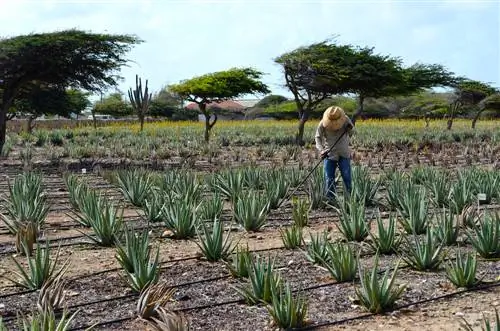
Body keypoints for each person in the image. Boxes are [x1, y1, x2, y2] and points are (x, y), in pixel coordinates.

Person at [314, 106, 354, 200]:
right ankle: (330, 200)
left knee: (347, 177)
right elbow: (317, 137)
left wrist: (349, 129)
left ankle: (349, 199)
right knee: (329, 178)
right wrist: (321, 150)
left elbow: (352, 132)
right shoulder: (323, 122)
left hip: (344, 153)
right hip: (329, 153)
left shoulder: (346, 119)